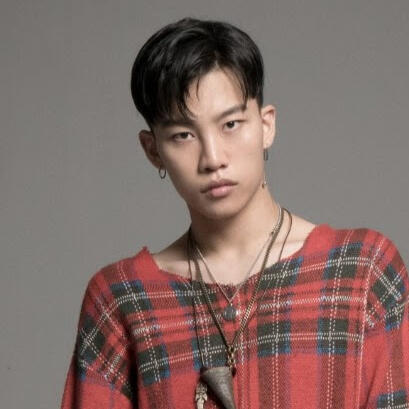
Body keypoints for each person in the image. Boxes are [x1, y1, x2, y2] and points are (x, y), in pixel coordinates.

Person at [60, 17, 409, 409]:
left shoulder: (362, 272)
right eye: (183, 135)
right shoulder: (122, 299)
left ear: (266, 126)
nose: (213, 158)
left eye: (230, 124)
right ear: (153, 150)